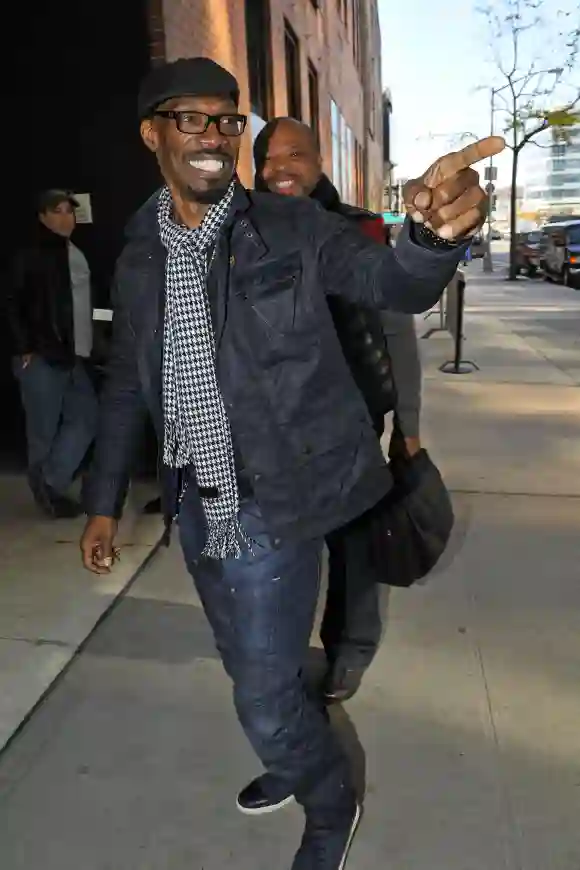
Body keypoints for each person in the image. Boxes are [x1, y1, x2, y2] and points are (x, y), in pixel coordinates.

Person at [80, 57, 503, 869]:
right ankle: (290, 751)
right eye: (191, 119)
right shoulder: (137, 256)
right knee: (246, 663)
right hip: (194, 508)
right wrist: (104, 503)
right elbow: (127, 385)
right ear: (151, 134)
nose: (213, 136)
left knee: (265, 697)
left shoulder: (291, 227)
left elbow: (391, 281)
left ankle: (328, 795)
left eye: (226, 120)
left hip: (275, 505)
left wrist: (433, 239)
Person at [253, 117, 422, 709]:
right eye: (268, 159)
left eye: (294, 154)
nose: (280, 170)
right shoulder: (245, 234)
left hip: (349, 422)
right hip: (275, 429)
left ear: (319, 160)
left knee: (352, 544)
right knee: (285, 550)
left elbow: (398, 336)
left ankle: (350, 648)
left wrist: (410, 425)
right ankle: (286, 653)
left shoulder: (356, 230)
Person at [6, 190, 98, 517]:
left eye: (68, 212)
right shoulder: (31, 253)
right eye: (56, 211)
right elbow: (12, 301)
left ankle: (50, 482)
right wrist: (25, 348)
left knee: (87, 418)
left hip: (72, 354)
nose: (64, 217)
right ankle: (48, 494)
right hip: (43, 354)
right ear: (42, 216)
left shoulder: (73, 252)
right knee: (43, 430)